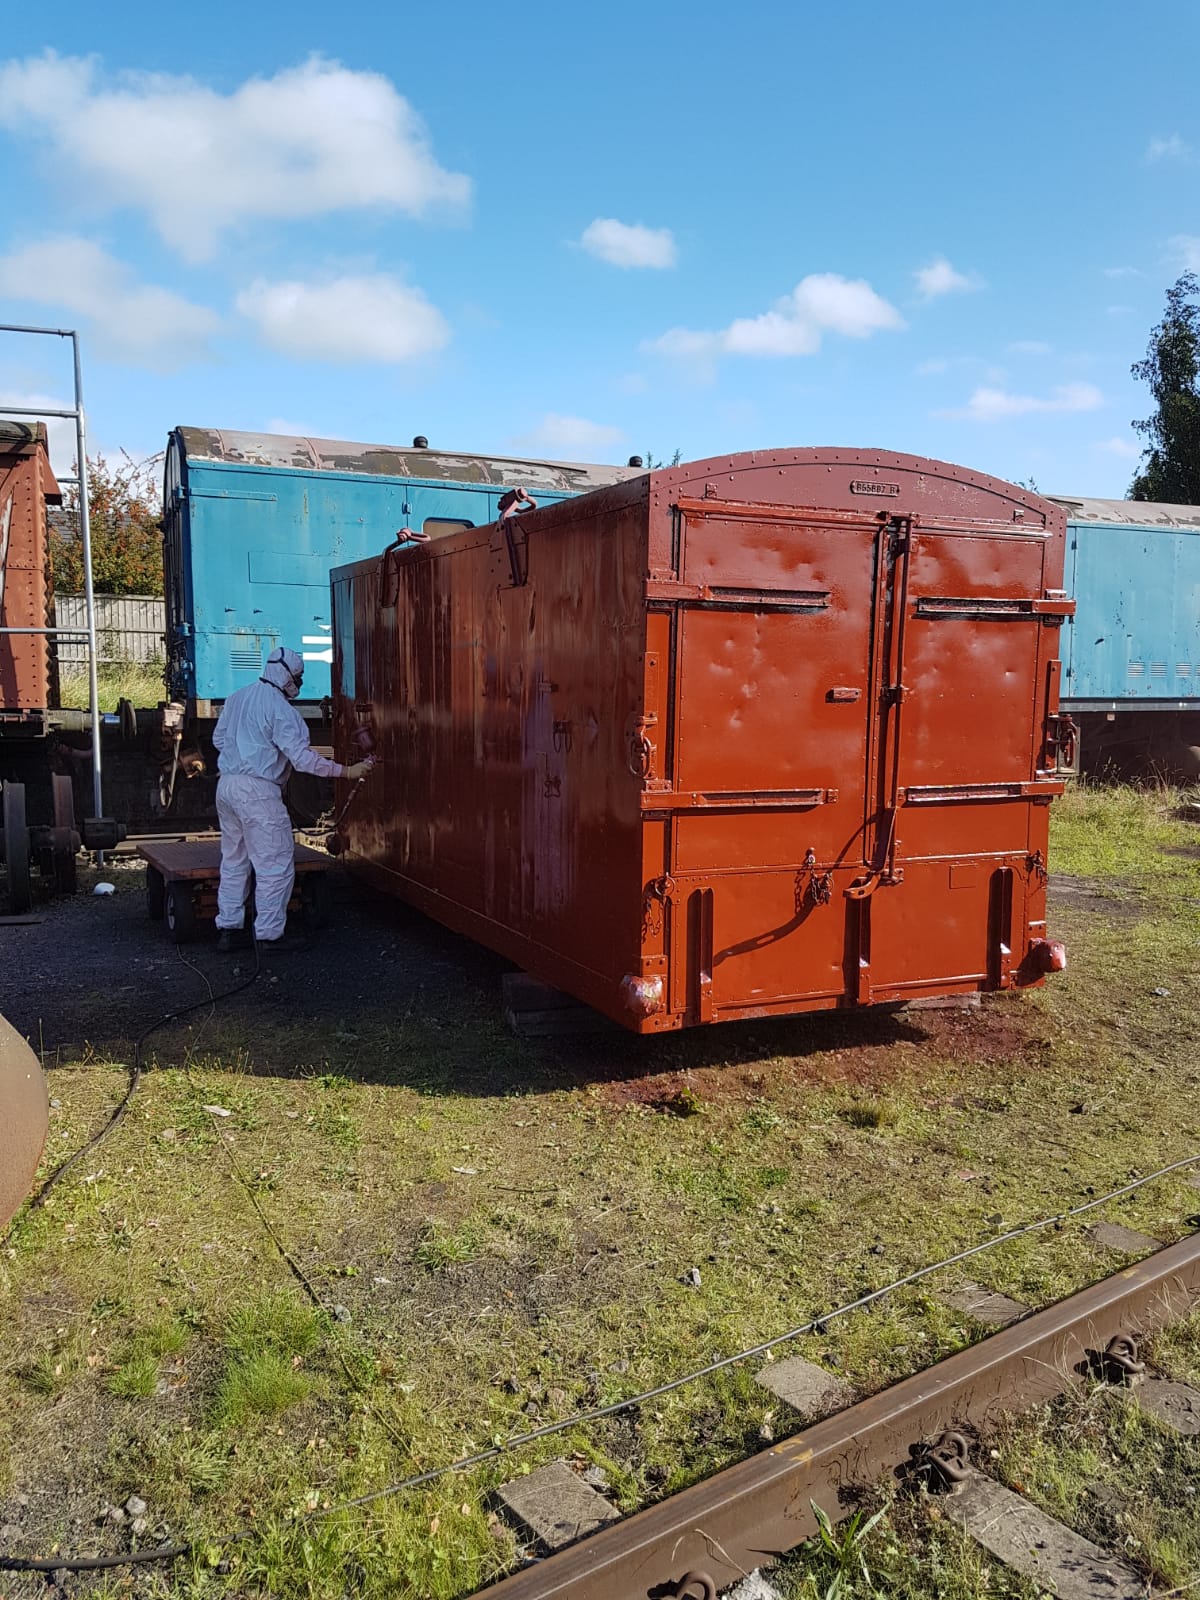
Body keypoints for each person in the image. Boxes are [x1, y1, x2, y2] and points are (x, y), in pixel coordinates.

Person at [212, 646, 374, 952]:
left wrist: (243, 755)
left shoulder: (236, 698)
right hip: (258, 791)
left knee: (234, 861)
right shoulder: (282, 711)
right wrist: (347, 771)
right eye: (298, 677)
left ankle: (229, 930)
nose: (298, 683)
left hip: (228, 787)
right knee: (274, 865)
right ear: (287, 677)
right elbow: (303, 760)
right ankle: (269, 936)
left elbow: (219, 739)